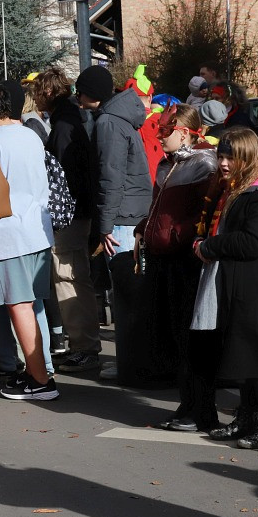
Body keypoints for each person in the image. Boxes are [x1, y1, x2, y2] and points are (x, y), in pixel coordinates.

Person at [193, 128, 258, 449]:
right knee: (244, 356)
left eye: (230, 157)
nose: (223, 164)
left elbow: (253, 243)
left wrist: (211, 246)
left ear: (247, 158)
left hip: (257, 291)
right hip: (240, 289)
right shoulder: (236, 190)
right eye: (220, 156)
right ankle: (247, 417)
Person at [133, 104, 219, 431]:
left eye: (166, 130)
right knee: (176, 337)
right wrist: (147, 226)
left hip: (187, 262)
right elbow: (159, 207)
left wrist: (173, 236)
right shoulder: (168, 165)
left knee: (192, 337)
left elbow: (204, 215)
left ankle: (200, 410)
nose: (159, 136)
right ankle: (188, 405)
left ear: (184, 131)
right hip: (166, 259)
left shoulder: (204, 165)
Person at [0, 83, 58, 399]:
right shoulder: (29, 134)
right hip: (36, 228)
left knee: (19, 305)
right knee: (33, 305)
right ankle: (41, 371)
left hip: (8, 233)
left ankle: (40, 380)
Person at [80, 65, 156, 385]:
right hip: (133, 213)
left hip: (122, 218)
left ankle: (132, 364)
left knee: (125, 295)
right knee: (132, 293)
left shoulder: (109, 123)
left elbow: (110, 178)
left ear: (91, 94)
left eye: (80, 90)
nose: (76, 95)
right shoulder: (121, 117)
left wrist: (105, 225)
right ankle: (137, 360)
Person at [32, 69, 102, 374]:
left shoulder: (63, 124)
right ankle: (82, 345)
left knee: (69, 277)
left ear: (48, 92)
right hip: (77, 211)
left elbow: (63, 177)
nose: (33, 98)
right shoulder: (68, 120)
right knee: (71, 276)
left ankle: (84, 347)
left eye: (36, 92)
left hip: (71, 214)